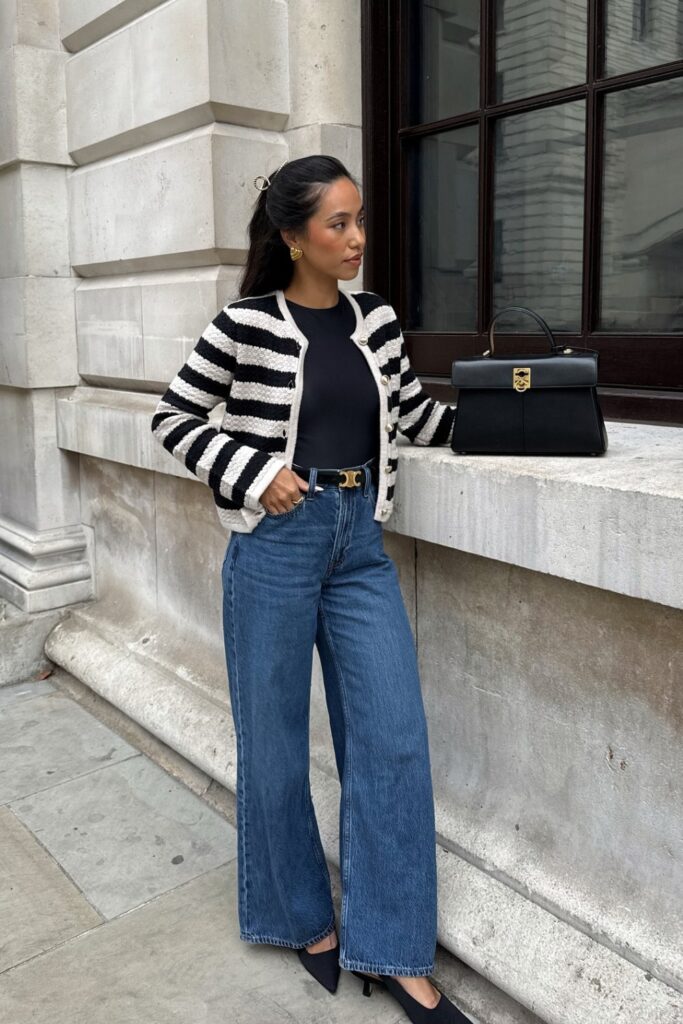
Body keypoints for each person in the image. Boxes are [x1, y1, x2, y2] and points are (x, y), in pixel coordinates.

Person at [151, 154, 472, 1023]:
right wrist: (254, 472)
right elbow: (173, 418)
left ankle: (394, 949)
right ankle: (301, 917)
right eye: (338, 224)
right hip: (275, 547)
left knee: (394, 742)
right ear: (292, 237)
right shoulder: (244, 325)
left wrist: (518, 412)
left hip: (359, 540)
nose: (357, 237)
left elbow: (414, 416)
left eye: (358, 219)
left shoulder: (376, 320)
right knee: (275, 743)